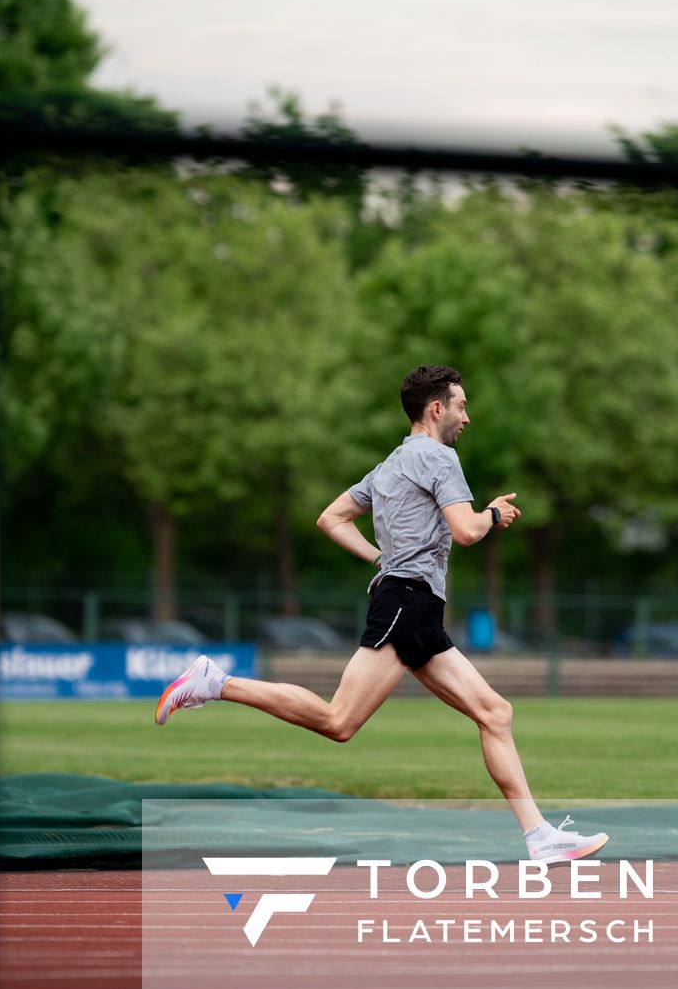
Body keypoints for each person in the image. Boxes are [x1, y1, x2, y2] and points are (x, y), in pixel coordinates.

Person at [155, 363, 607, 864]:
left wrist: (379, 557)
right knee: (339, 720)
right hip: (407, 601)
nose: (467, 417)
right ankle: (215, 682)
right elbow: (467, 531)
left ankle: (538, 836)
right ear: (436, 409)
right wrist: (493, 514)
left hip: (413, 603)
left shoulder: (390, 463)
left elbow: (332, 518)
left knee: (495, 713)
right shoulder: (439, 458)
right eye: (461, 406)